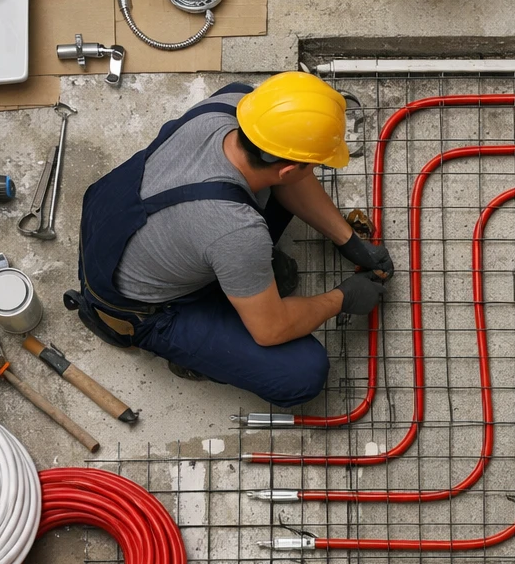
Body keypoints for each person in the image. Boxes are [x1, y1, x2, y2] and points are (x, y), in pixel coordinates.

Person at [65, 73, 391, 408]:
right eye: (312, 164)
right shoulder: (236, 230)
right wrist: (343, 298)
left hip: (117, 222)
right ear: (290, 169)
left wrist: (347, 238)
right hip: (138, 306)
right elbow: (271, 330)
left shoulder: (234, 104)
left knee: (248, 240)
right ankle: (187, 352)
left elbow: (285, 174)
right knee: (301, 373)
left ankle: (237, 283)